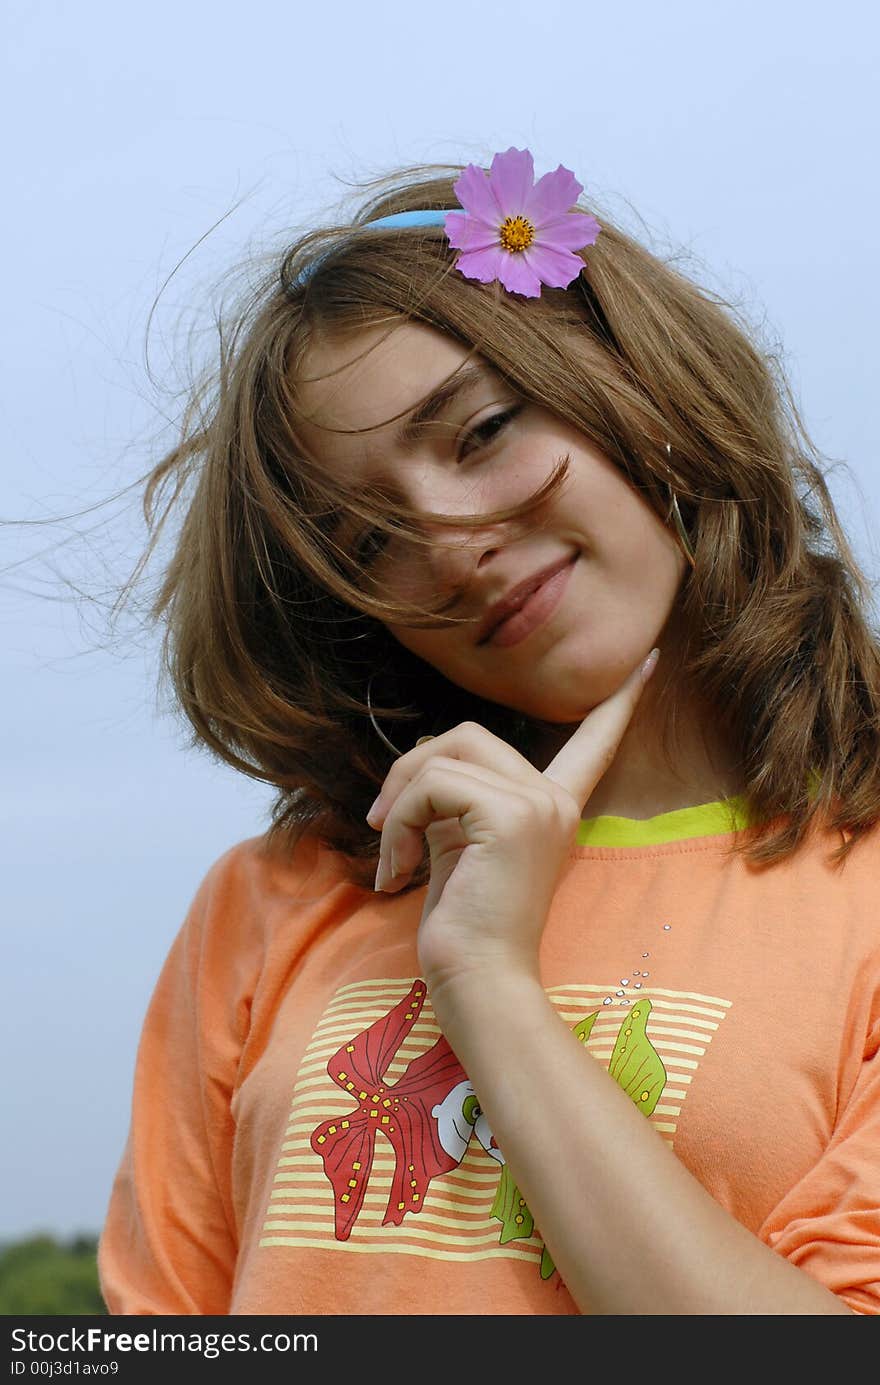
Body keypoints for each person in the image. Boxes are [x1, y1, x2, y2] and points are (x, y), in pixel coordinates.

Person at [97, 147, 880, 1315]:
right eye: (367, 540)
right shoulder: (273, 900)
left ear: (640, 384)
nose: (451, 540)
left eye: (481, 430)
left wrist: (487, 982)